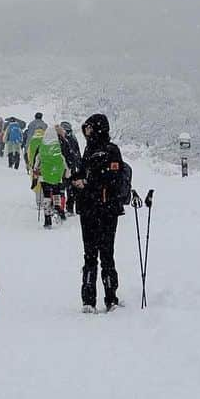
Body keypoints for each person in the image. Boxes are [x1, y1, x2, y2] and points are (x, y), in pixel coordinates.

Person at [72, 113, 128, 312]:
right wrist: (76, 180)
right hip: (91, 210)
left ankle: (110, 298)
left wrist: (86, 184)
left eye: (89, 128)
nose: (86, 132)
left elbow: (112, 180)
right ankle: (89, 300)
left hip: (104, 210)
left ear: (97, 128)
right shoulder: (89, 150)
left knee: (104, 254)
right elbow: (84, 174)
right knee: (92, 255)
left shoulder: (111, 151)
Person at [34, 125, 68, 228]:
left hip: (44, 176)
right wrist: (66, 173)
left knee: (47, 196)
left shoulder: (42, 147)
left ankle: (47, 219)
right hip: (56, 176)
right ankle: (58, 208)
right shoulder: (57, 147)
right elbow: (63, 161)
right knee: (57, 192)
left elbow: (37, 161)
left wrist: (35, 172)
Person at [57, 120, 83, 216]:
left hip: (61, 166)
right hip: (71, 166)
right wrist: (79, 166)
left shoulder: (59, 139)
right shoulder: (73, 138)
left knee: (61, 187)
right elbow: (77, 154)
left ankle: (60, 207)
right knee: (71, 188)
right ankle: (70, 208)